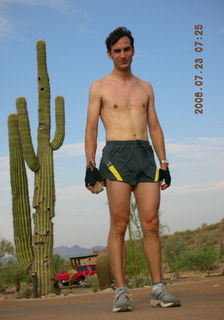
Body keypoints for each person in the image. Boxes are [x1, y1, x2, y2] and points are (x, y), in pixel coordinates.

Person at [85, 26, 180, 312]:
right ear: (109, 54)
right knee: (119, 224)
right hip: (116, 154)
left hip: (145, 155)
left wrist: (164, 163)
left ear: (133, 50)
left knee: (151, 223)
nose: (123, 54)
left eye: (127, 49)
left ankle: (158, 289)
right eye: (117, 51)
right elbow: (90, 129)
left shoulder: (146, 87)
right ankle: (121, 291)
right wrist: (90, 165)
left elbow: (155, 126)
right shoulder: (99, 86)